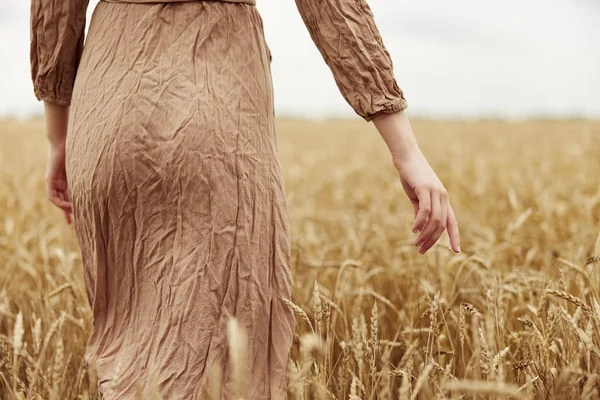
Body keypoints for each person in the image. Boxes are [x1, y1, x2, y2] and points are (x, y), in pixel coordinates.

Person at [31, 0, 460, 398]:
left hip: (108, 104)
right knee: (227, 355)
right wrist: (406, 151)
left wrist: (58, 137)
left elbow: (54, 9)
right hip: (217, 98)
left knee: (128, 348)